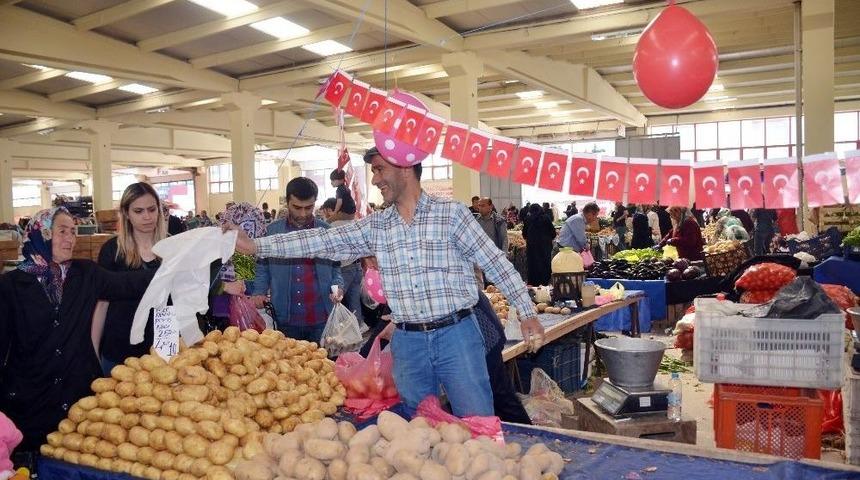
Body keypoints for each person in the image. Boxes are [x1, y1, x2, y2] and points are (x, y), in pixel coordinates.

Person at [228, 146, 543, 418]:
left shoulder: (452, 216)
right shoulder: (376, 226)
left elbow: (496, 263)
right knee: (422, 429)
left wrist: (527, 314)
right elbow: (322, 241)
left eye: (379, 169)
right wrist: (257, 246)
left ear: (405, 166)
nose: (375, 179)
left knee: (477, 424)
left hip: (457, 336)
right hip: (408, 342)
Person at [0, 207, 155, 462]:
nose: (70, 238)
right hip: (30, 402)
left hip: (78, 400)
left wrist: (186, 267)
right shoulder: (10, 286)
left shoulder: (84, 274)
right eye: (62, 231)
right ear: (42, 234)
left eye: (73, 232)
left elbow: (132, 284)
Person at [248, 177, 344, 343]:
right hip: (285, 318)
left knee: (322, 365)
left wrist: (338, 287)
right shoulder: (271, 232)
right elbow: (262, 267)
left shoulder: (326, 232)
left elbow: (336, 268)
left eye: (309, 207)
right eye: (297, 207)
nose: (303, 213)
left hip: (321, 317)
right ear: (287, 202)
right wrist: (259, 292)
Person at [92, 183, 167, 375]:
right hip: (120, 347)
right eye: (138, 211)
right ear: (126, 213)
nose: (147, 216)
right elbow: (101, 305)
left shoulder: (173, 247)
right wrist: (92, 351)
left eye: (152, 209)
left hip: (163, 346)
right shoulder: (112, 251)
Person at [522, 203, 556, 286]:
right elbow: (553, 233)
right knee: (545, 264)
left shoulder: (528, 219)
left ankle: (534, 286)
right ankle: (545, 285)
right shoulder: (546, 218)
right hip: (545, 247)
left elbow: (524, 234)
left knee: (533, 265)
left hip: (532, 247)